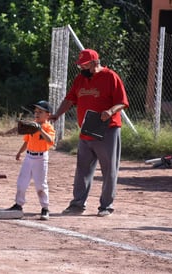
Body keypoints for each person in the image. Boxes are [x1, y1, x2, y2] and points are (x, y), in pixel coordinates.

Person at [49, 49, 129, 217]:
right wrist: (57, 114)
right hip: (86, 129)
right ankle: (78, 204)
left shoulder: (110, 77)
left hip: (107, 129)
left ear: (94, 63)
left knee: (109, 169)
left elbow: (122, 102)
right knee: (83, 168)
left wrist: (110, 110)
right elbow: (70, 99)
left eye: (84, 64)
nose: (81, 68)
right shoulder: (80, 79)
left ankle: (106, 206)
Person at [8, 100, 56, 220]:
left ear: (48, 115)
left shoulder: (48, 127)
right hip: (29, 157)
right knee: (21, 183)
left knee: (40, 185)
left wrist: (40, 129)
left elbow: (50, 140)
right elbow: (27, 141)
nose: (37, 114)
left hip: (41, 158)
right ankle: (18, 205)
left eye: (40, 112)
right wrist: (19, 152)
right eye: (36, 111)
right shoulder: (32, 125)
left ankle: (45, 208)